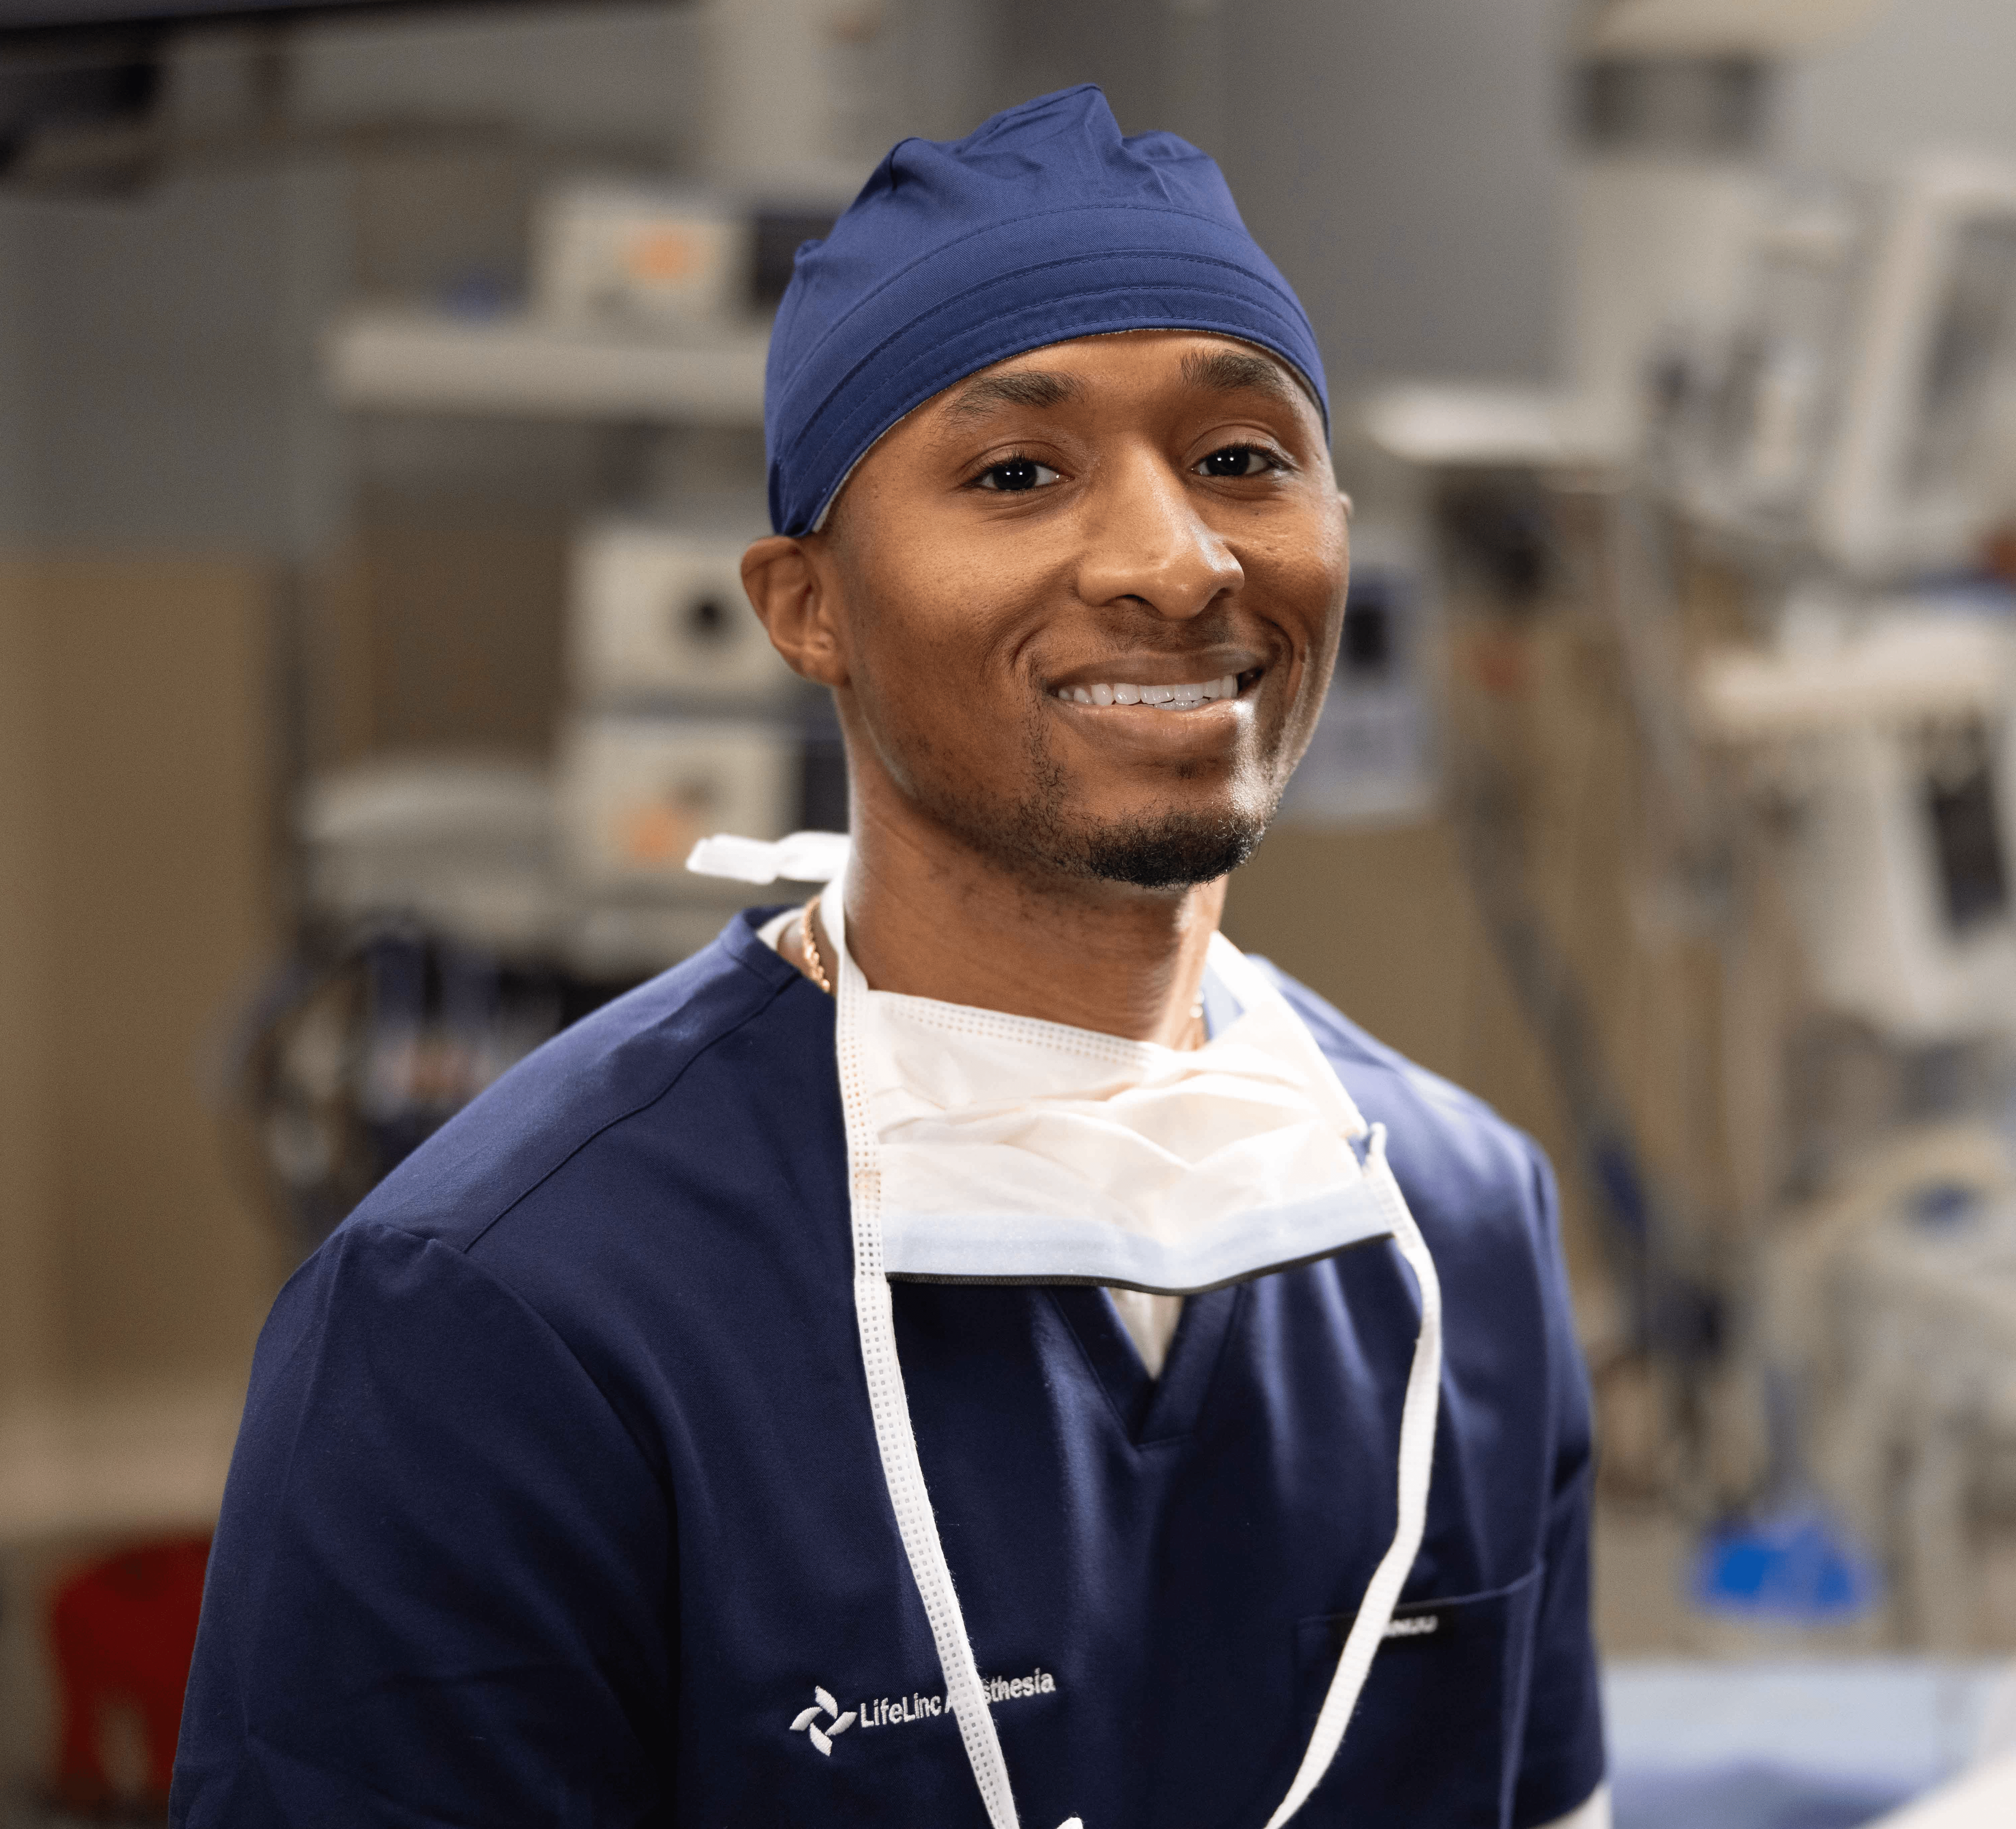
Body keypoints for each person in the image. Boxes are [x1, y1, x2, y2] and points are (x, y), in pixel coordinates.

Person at [172, 87, 1606, 1829]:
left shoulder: (1460, 1229)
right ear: (807, 607)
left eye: (1243, 458)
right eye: (1016, 471)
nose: (1174, 557)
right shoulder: (497, 1316)